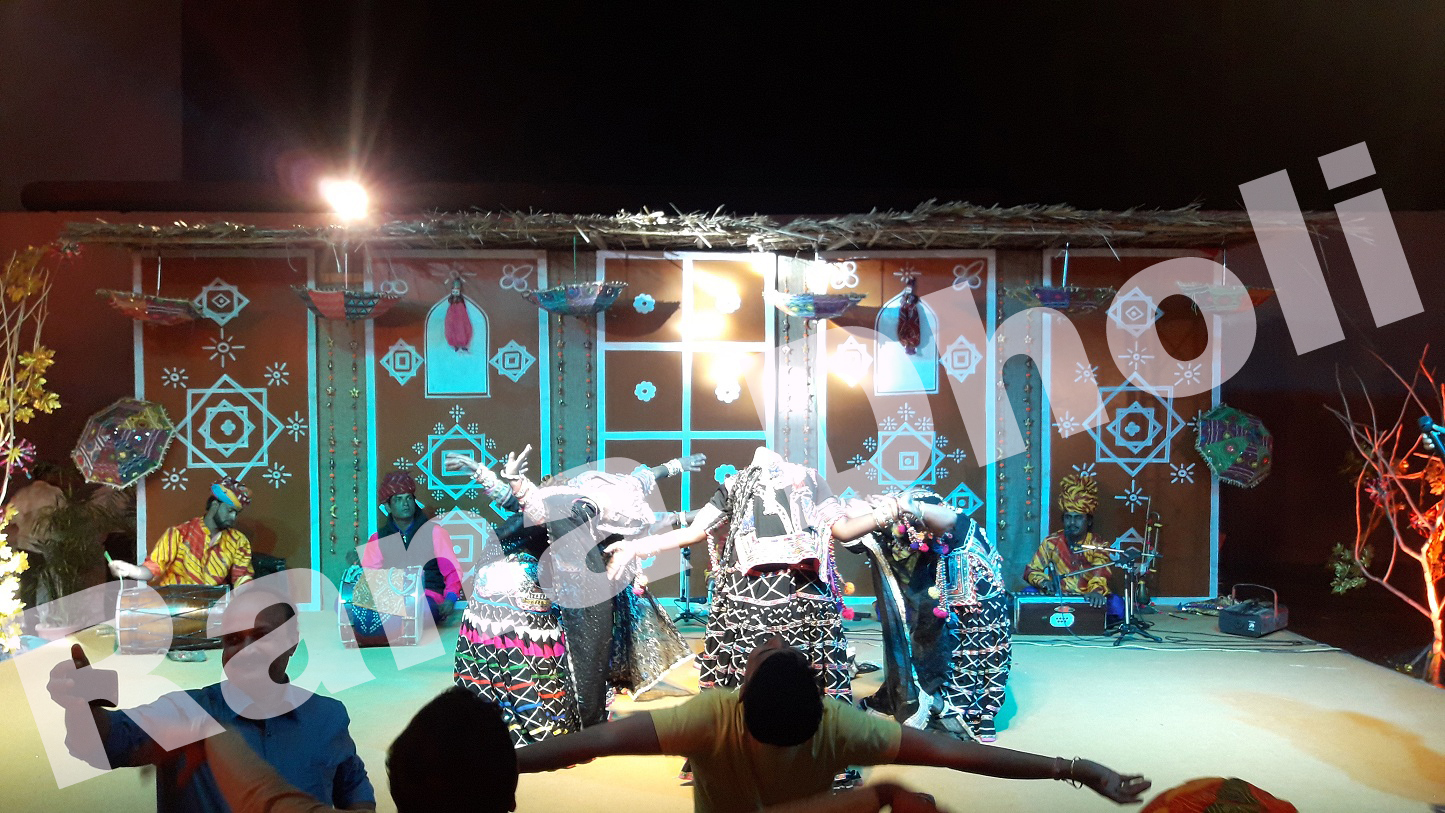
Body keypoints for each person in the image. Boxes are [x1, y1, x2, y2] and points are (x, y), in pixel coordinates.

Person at [515, 636, 1151, 813]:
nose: (769, 645)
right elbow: (964, 756)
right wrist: (1074, 768)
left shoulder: (709, 718)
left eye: (765, 657)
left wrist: (502, 761)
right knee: (890, 794)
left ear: (741, 694)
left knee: (886, 795)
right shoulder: (844, 726)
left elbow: (591, 743)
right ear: (822, 701)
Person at [46, 583, 376, 812]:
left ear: (292, 641)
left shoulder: (328, 716)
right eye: (233, 639)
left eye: (261, 636)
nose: (246, 650)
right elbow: (101, 743)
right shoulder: (183, 713)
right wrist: (80, 705)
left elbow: (354, 789)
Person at [446, 447, 695, 741]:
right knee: (560, 651)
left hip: (493, 593)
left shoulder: (580, 502)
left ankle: (492, 719)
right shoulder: (580, 510)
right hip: (520, 596)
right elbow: (534, 507)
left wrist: (676, 471)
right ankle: (544, 726)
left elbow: (520, 501)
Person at [843, 489, 1012, 743]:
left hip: (980, 597)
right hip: (954, 598)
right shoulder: (898, 528)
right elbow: (852, 537)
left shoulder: (928, 511)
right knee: (948, 649)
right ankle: (957, 709)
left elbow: (947, 520)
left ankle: (976, 714)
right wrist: (876, 514)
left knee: (978, 651)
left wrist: (906, 507)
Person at [106, 476, 255, 661]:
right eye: (230, 511)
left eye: (236, 514)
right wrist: (129, 570)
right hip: (170, 612)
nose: (233, 518)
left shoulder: (239, 542)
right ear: (215, 505)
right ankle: (176, 645)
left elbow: (242, 578)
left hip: (210, 614)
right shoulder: (178, 534)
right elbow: (152, 568)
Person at [359, 470, 462, 624]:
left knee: (423, 610)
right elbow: (370, 577)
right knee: (359, 613)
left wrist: (450, 599)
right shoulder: (377, 539)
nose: (405, 503)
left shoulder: (435, 533)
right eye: (398, 499)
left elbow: (452, 571)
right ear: (388, 507)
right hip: (392, 598)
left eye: (409, 498)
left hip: (428, 596)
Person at [1023, 474, 1118, 610]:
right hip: (1057, 596)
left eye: (1078, 518)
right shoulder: (1052, 542)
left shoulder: (1098, 545)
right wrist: (1044, 582)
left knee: (1117, 605)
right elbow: (1032, 570)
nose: (1072, 522)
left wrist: (1096, 591)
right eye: (1068, 517)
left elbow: (1101, 573)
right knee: (1027, 593)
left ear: (1089, 521)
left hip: (1087, 598)